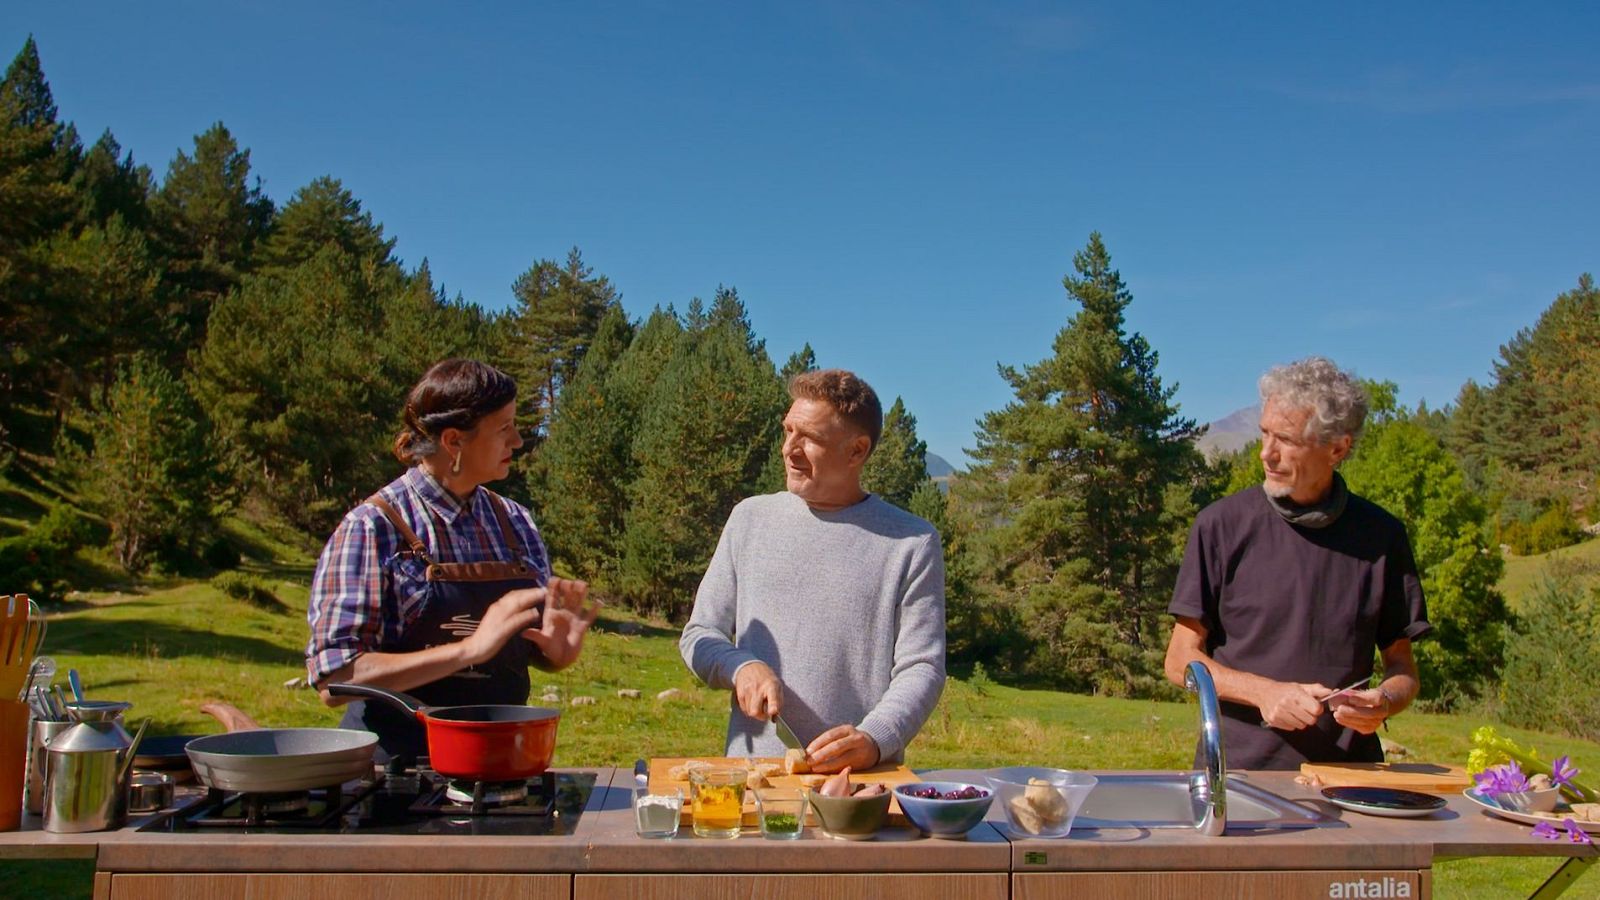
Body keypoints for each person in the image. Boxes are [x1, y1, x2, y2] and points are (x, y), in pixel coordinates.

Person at [306, 359, 600, 762]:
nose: (517, 441)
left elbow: (512, 652)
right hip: (398, 777)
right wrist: (467, 650)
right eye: (504, 428)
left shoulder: (515, 521)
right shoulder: (372, 528)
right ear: (454, 441)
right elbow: (334, 678)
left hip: (503, 764)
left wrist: (552, 655)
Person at [1164, 357, 1430, 770]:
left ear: (1337, 448)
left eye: (1286, 440)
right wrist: (1263, 693)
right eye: (1265, 433)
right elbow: (1180, 660)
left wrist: (1385, 701)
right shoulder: (1219, 526)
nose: (1266, 453)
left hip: (1350, 780)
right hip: (1237, 777)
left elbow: (1403, 669)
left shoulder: (1382, 537)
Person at [680, 369, 946, 773]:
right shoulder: (748, 520)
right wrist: (741, 667)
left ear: (857, 451)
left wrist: (875, 738)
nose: (789, 449)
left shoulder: (912, 542)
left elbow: (922, 667)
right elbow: (699, 634)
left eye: (810, 438)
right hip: (755, 782)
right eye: (788, 430)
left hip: (859, 787)